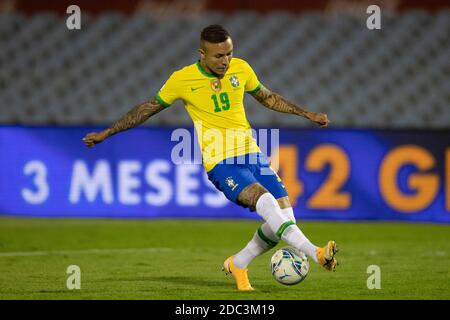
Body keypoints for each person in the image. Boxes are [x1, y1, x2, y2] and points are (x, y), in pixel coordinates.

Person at [83, 24, 338, 291]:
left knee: (284, 218)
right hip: (221, 162)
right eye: (218, 56)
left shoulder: (241, 68)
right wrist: (108, 132)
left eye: (229, 53)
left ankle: (239, 263)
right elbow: (148, 108)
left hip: (252, 154)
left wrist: (306, 114)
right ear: (202, 53)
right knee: (265, 202)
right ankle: (316, 253)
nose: (225, 61)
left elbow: (269, 98)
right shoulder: (182, 79)